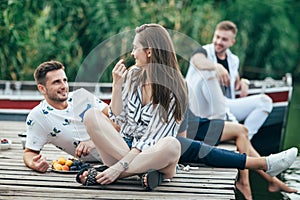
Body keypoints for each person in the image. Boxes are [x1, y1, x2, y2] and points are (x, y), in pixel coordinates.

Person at [76, 23, 188, 191]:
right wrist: (117, 85)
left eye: (136, 48)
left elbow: (153, 138)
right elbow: (117, 119)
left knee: (172, 145)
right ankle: (144, 173)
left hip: (154, 154)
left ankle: (108, 174)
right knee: (92, 115)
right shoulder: (133, 75)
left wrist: (118, 168)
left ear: (149, 51)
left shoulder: (174, 87)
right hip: (123, 148)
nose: (132, 53)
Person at [177, 106, 298, 199]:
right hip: (191, 127)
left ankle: (270, 179)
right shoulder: (172, 81)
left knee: (243, 133)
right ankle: (254, 180)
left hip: (193, 122)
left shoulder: (175, 82)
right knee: (241, 132)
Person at [23, 60, 114, 173]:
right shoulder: (38, 116)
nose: (64, 86)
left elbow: (117, 122)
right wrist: (33, 163)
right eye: (56, 82)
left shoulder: (82, 96)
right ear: (42, 89)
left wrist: (93, 141)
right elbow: (30, 152)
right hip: (105, 163)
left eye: (65, 80)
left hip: (129, 144)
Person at [190, 20, 273, 140]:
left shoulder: (234, 60)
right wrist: (216, 66)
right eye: (217, 37)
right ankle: (233, 127)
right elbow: (197, 61)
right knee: (209, 76)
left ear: (232, 42)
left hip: (226, 104)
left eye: (224, 39)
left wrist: (244, 82)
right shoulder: (202, 51)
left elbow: (235, 81)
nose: (218, 42)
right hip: (200, 106)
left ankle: (243, 138)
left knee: (265, 102)